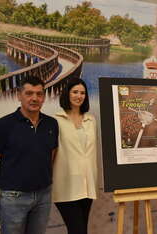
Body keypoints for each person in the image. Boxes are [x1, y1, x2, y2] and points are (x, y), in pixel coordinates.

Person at [0, 76, 59, 234]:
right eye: (29, 93)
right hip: (13, 198)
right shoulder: (3, 125)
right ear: (19, 95)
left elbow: (52, 153)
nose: (34, 98)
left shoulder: (52, 124)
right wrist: (7, 187)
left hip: (43, 196)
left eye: (39, 94)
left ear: (44, 97)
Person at [52, 78, 98, 234]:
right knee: (77, 229)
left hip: (87, 184)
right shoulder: (55, 120)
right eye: (75, 92)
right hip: (66, 184)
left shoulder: (91, 120)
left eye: (83, 93)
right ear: (67, 93)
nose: (79, 96)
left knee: (81, 229)